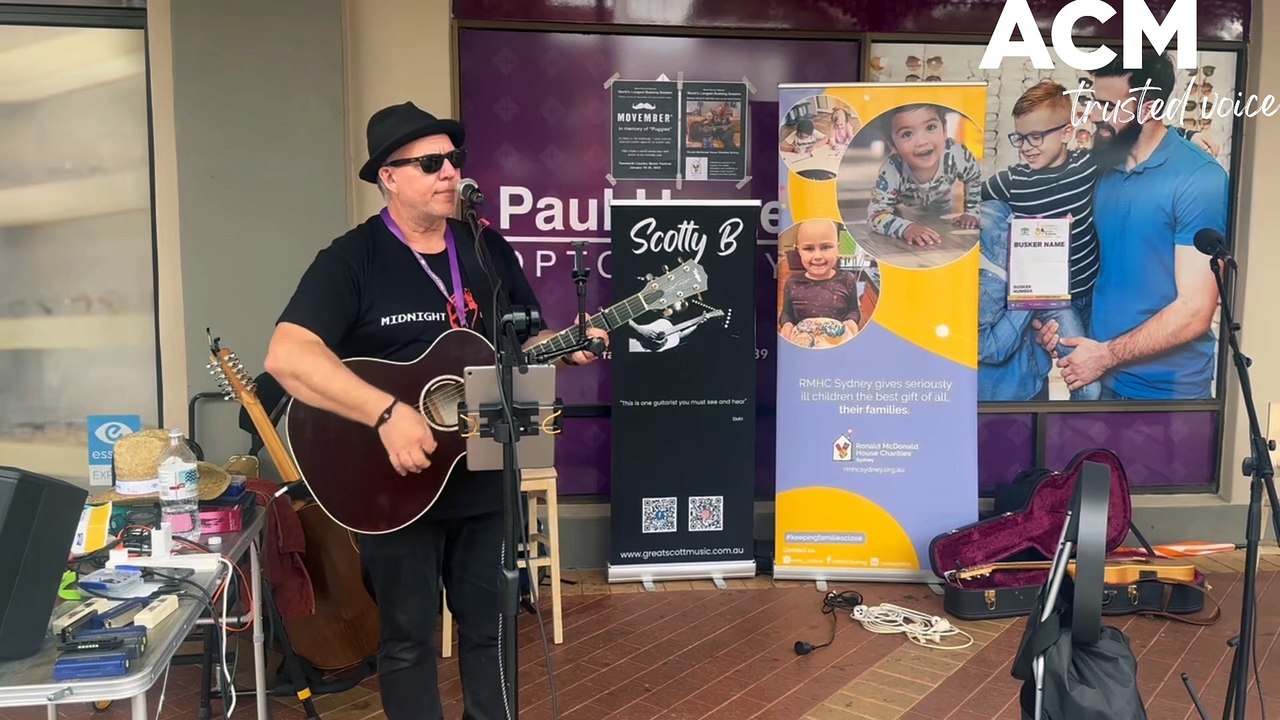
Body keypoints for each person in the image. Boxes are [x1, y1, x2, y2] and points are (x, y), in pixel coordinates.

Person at [264, 101, 608, 720]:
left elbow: (523, 340)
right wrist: (386, 413)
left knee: (493, 631)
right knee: (407, 641)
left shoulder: (486, 248)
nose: (450, 172)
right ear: (388, 177)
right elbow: (288, 356)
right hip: (389, 487)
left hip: (482, 471)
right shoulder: (352, 259)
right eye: (430, 163)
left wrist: (566, 345)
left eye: (454, 159)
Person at [1033, 48, 1226, 400]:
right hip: (1098, 380)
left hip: (1166, 394)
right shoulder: (1104, 165)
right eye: (1094, 102)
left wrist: (1106, 355)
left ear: (1149, 108)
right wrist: (1058, 328)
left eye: (1108, 106)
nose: (1094, 115)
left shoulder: (1199, 179)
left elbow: (1195, 311)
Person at [981, 80, 1102, 401]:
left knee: (1101, 372)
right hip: (1050, 301)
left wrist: (1189, 135)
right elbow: (962, 202)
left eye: (1036, 137)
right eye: (1020, 138)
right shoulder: (1011, 182)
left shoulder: (1086, 166)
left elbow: (1133, 143)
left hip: (1094, 293)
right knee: (1088, 386)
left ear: (1066, 132)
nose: (1026, 147)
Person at [866, 103, 981, 247]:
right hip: (901, 197)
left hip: (941, 196)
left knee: (937, 219)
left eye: (930, 127)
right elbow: (875, 216)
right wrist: (906, 228)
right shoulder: (891, 171)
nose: (922, 142)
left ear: (945, 130)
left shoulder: (956, 154)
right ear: (893, 145)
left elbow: (974, 176)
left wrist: (972, 212)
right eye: (907, 134)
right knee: (891, 213)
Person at [778, 219, 861, 348]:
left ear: (837, 249)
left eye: (826, 247)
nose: (818, 256)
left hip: (836, 344)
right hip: (803, 345)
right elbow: (786, 314)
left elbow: (853, 310)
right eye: (809, 248)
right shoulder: (792, 282)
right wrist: (787, 324)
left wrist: (851, 321)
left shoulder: (847, 280)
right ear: (799, 251)